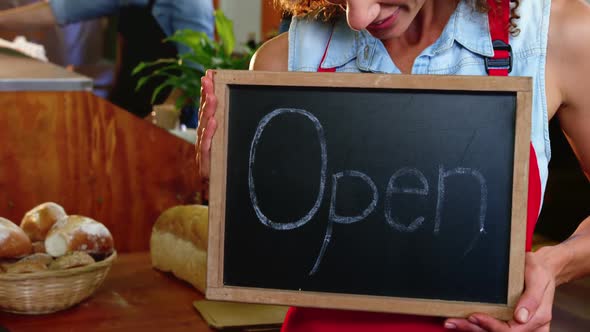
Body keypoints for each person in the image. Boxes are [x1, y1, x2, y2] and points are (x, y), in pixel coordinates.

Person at [197, 0, 590, 331]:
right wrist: (231, 184)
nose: (358, 17)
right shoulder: (280, 61)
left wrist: (555, 266)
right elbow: (271, 248)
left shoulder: (560, 37)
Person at [0, 0, 214, 117]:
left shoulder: (191, 4)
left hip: (165, 118)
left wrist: (160, 120)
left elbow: (196, 77)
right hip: (125, 107)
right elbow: (57, 10)